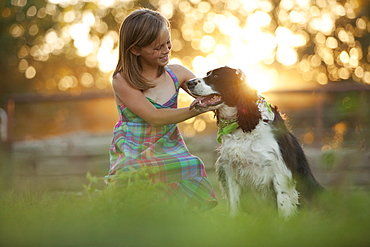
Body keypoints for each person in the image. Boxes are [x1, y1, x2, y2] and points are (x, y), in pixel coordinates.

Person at [105, 8, 217, 210]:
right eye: (157, 47)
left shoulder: (178, 73)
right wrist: (196, 110)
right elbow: (154, 117)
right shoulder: (122, 80)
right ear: (135, 50)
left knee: (192, 164)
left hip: (168, 144)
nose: (165, 50)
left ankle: (189, 220)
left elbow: (207, 92)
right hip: (134, 147)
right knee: (131, 173)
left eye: (168, 43)